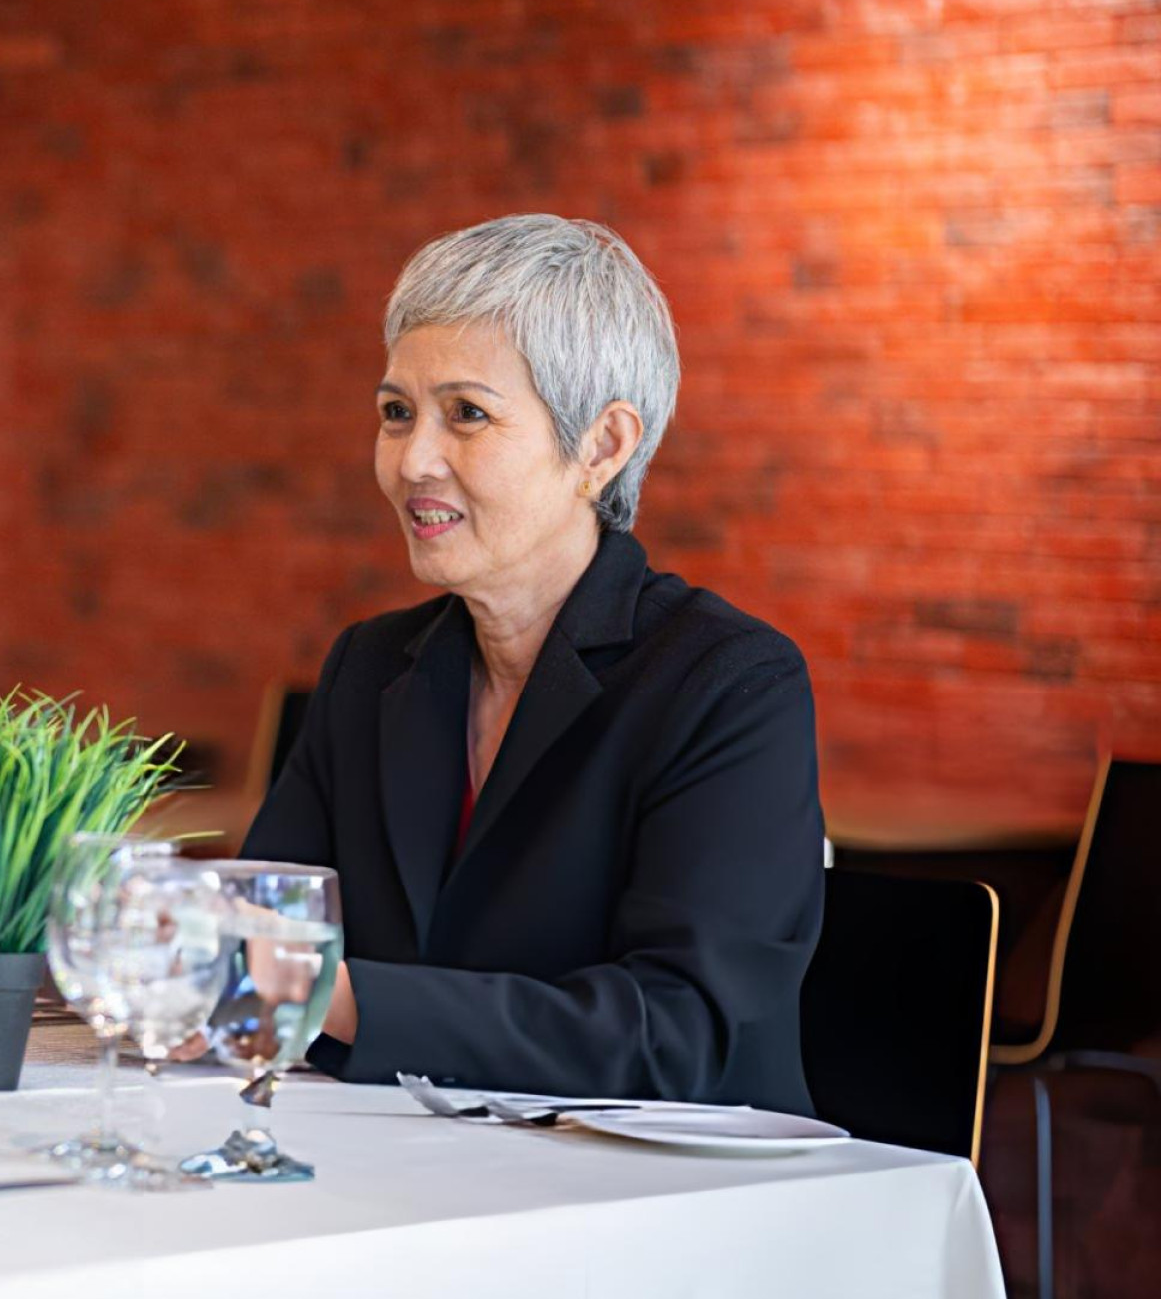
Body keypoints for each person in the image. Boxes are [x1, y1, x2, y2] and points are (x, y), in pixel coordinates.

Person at [240, 214, 824, 1112]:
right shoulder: (369, 667)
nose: (411, 461)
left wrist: (331, 995)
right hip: (403, 1172)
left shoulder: (729, 683)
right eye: (396, 414)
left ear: (601, 447)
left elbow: (678, 1031)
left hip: (663, 1206)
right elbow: (260, 944)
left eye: (466, 414)